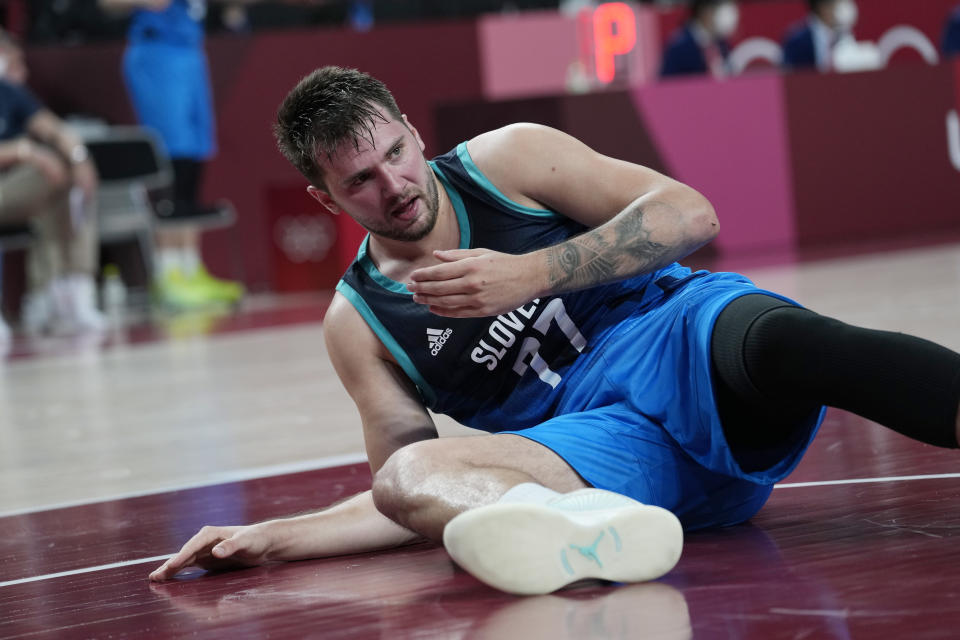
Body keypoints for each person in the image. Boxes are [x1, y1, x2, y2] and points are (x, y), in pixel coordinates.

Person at [149, 67, 960, 595]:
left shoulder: (509, 160)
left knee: (792, 343)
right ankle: (598, 538)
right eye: (360, 179)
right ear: (327, 199)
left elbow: (690, 213)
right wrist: (275, 539)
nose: (394, 185)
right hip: (597, 451)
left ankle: (593, 536)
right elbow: (419, 491)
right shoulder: (358, 324)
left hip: (681, 342)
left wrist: (530, 275)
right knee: (403, 475)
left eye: (396, 152)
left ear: (412, 127)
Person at [98, 0, 243, 311]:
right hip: (157, 51)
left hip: (191, 49)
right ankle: (168, 271)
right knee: (171, 154)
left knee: (195, 152)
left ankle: (190, 267)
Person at [0, 29, 103, 337]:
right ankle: (47, 294)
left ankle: (70, 292)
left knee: (70, 181)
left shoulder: (9, 93)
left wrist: (79, 156)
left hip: (16, 190)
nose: (19, 68)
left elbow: (56, 129)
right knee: (50, 173)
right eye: (11, 59)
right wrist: (26, 151)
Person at [660, 0, 739, 79]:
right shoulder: (679, 48)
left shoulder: (722, 44)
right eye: (720, 7)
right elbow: (665, 85)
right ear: (705, 11)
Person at [781, 0, 859, 71]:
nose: (840, 9)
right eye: (835, 4)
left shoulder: (844, 34)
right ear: (822, 7)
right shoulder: (796, 40)